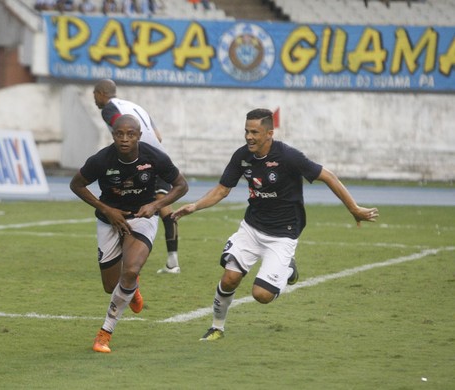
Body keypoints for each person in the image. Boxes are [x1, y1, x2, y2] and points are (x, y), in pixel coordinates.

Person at [172, 108, 379, 341]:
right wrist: (194, 206)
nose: (249, 137)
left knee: (261, 295)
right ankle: (217, 327)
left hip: (283, 234)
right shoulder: (242, 156)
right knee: (229, 278)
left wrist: (354, 209)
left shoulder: (288, 157)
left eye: (255, 132)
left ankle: (288, 268)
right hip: (252, 228)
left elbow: (327, 176)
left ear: (269, 133)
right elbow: (222, 189)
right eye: (246, 131)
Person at [70, 114, 188, 353]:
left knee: (131, 269)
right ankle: (132, 289)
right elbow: (77, 184)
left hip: (141, 219)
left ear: (139, 136)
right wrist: (106, 209)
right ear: (113, 135)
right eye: (119, 134)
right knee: (110, 286)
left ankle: (104, 334)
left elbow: (181, 185)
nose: (124, 139)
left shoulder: (153, 157)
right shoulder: (101, 159)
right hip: (108, 220)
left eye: (130, 134)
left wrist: (155, 206)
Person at [93, 79, 182, 274]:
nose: (95, 101)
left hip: (142, 162)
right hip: (159, 158)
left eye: (94, 96)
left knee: (125, 205)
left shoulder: (108, 109)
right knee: (165, 209)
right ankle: (172, 261)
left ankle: (125, 257)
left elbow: (120, 127)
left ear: (100, 93)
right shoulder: (134, 106)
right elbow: (158, 136)